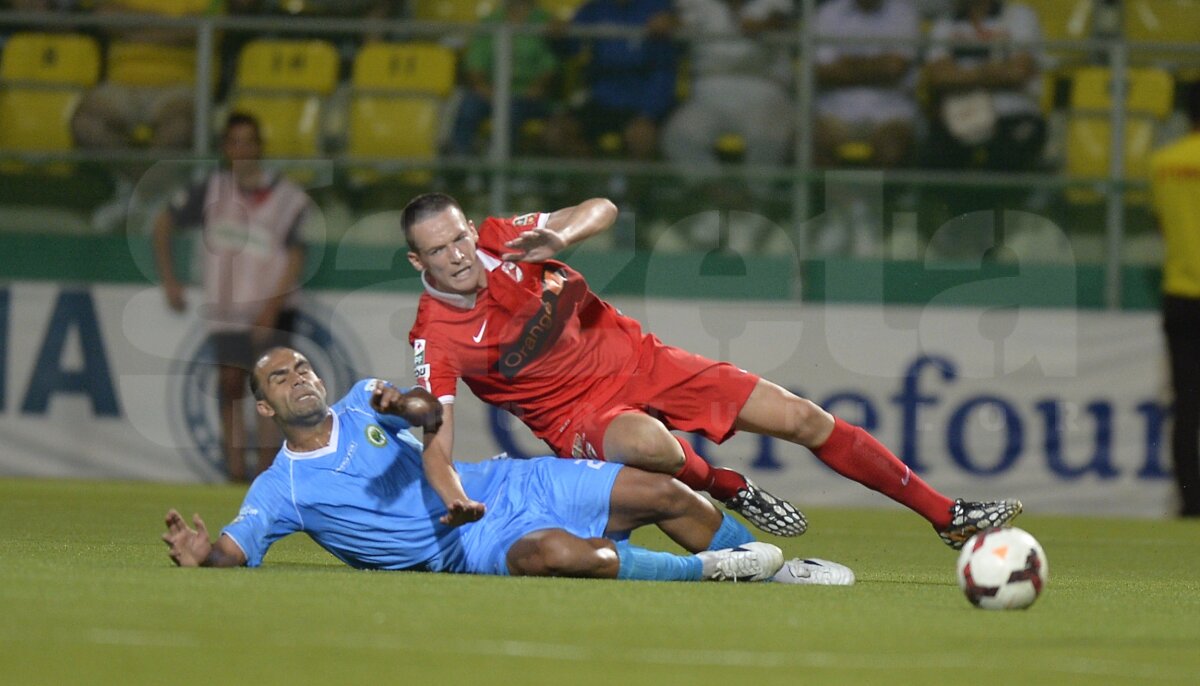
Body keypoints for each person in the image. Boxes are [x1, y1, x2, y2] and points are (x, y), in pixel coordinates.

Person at [401, 192, 1023, 548]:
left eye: (458, 238)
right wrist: (454, 498)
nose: (459, 256)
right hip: (577, 415)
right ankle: (727, 486)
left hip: (645, 360)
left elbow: (603, 207)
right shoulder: (437, 336)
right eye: (438, 250)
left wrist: (563, 237)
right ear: (415, 260)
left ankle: (946, 515)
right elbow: (437, 436)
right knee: (654, 447)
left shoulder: (501, 239)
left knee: (803, 417)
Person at [161, 347, 854, 585]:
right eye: (280, 379)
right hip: (471, 543)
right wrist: (203, 558)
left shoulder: (360, 402)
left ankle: (774, 569)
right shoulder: (278, 489)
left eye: (302, 366)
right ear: (263, 408)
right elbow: (234, 552)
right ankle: (711, 572)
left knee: (661, 490)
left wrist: (411, 403)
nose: (299, 378)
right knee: (556, 555)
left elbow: (409, 404)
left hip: (501, 482)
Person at [153, 112, 312, 483]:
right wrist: (170, 280)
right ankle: (235, 474)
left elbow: (295, 256)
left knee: (273, 394)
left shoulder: (287, 197)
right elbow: (162, 223)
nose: (242, 150)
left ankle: (267, 474)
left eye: (248, 142)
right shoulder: (210, 190)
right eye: (234, 142)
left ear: (260, 147)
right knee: (229, 386)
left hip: (272, 308)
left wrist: (270, 309)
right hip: (226, 312)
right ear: (225, 148)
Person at [661, 0, 794, 174]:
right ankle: (716, 191)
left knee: (768, 138)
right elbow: (678, 23)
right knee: (679, 137)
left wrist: (767, 25)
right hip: (708, 94)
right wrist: (668, 22)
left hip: (762, 91)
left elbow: (783, 20)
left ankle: (756, 196)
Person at [1150, 81, 1200, 518]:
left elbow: (1164, 224)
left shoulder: (1164, 163)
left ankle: (1190, 503)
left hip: (1181, 292)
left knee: (1186, 403)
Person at [545, 0, 677, 160]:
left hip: (643, 104)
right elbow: (570, 49)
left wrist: (648, 114)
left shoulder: (659, 9)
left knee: (641, 138)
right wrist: (558, 35)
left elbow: (664, 70)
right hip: (601, 101)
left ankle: (635, 185)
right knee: (556, 133)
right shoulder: (593, 9)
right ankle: (591, 181)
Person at [923, 0, 1046, 172]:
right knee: (935, 152)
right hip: (959, 115)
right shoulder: (944, 23)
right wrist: (989, 72)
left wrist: (961, 75)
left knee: (1008, 155)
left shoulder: (1020, 16)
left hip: (1013, 113)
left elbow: (1018, 73)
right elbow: (939, 76)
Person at [447, 0, 560, 157]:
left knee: (511, 111)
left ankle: (504, 166)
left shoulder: (545, 21)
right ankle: (460, 162)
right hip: (491, 92)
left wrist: (536, 88)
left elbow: (550, 65)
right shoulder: (490, 21)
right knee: (468, 106)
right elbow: (475, 62)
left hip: (527, 95)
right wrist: (484, 88)